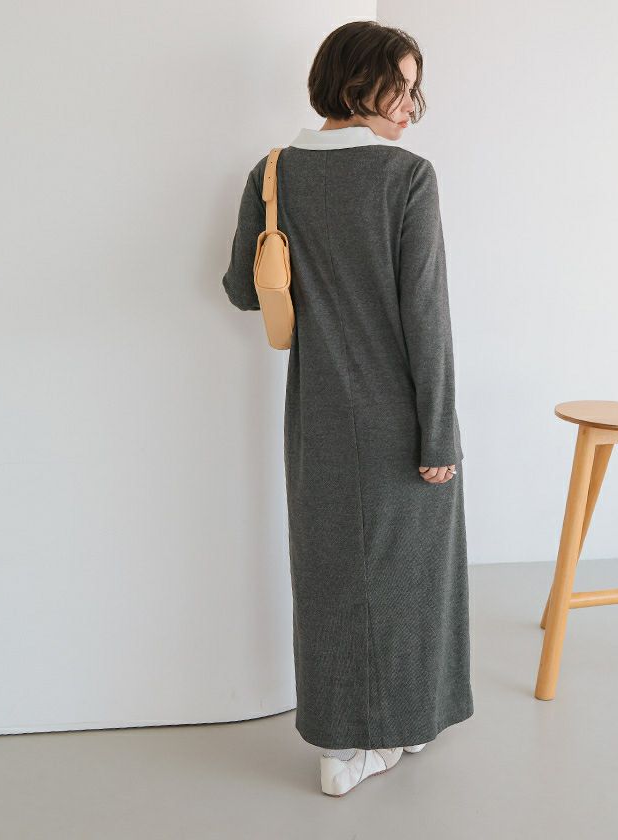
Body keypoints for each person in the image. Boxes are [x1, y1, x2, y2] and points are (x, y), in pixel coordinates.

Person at [222, 20, 473, 797]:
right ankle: (377, 736)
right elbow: (426, 317)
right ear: (356, 82)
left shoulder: (273, 172)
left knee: (333, 578)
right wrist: (440, 435)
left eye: (414, 88)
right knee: (410, 577)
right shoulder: (408, 177)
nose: (410, 104)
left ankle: (355, 738)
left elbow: (243, 290)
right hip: (404, 414)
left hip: (319, 413)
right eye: (400, 85)